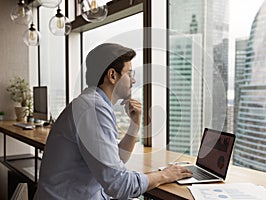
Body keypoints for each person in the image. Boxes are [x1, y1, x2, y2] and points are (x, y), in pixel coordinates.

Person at [34, 43, 192, 200]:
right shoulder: (93, 109)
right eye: (129, 74)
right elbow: (119, 184)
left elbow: (114, 159)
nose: (134, 80)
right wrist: (164, 175)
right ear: (112, 75)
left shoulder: (90, 104)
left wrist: (134, 125)